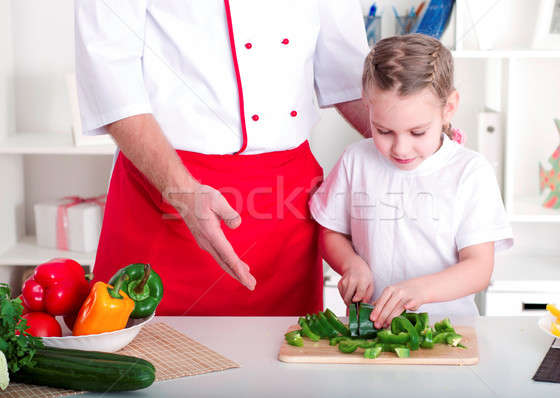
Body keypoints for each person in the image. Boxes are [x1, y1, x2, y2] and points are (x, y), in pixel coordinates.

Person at [74, 0, 372, 316]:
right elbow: (110, 83)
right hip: (166, 193)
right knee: (146, 359)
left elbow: (349, 76)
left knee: (283, 355)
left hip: (285, 209)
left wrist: (425, 155)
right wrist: (185, 193)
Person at [309, 34, 513, 328]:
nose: (400, 148)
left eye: (417, 132)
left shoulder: (470, 171)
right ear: (367, 106)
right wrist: (351, 265)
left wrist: (418, 291)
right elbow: (331, 233)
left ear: (449, 107)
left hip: (446, 331)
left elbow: (479, 267)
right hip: (371, 330)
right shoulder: (356, 160)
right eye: (383, 131)